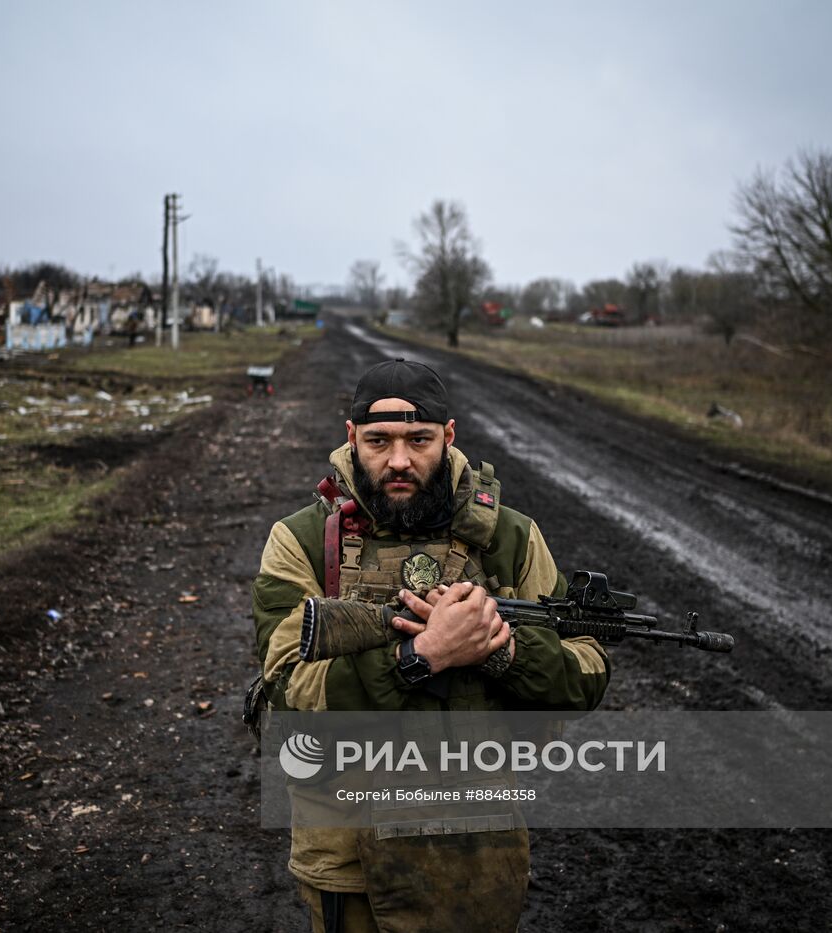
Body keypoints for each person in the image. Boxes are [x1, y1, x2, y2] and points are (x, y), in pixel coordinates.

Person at [251, 358, 610, 933]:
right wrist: (421, 657)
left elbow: (586, 671)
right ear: (351, 439)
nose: (399, 460)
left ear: (448, 436)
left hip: (475, 839)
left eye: (419, 440)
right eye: (378, 441)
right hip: (348, 851)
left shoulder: (512, 538)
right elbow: (287, 694)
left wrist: (500, 651)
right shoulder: (302, 541)